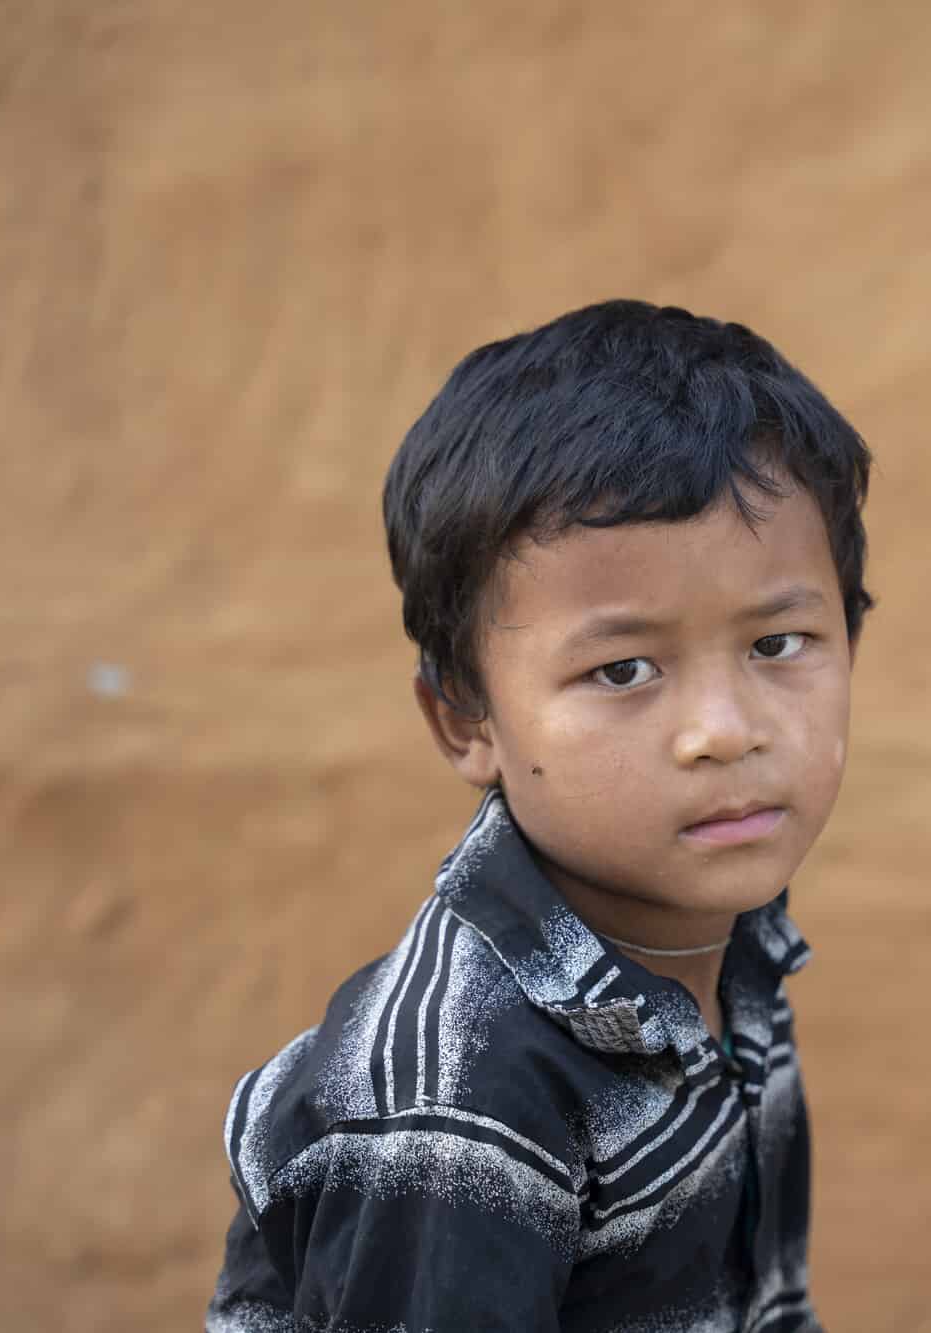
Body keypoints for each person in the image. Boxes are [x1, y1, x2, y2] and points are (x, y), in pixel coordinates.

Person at [206, 301, 873, 1332]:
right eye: (623, 668)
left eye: (778, 644)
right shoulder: (458, 1108)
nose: (724, 731)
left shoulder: (723, 939)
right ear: (467, 717)